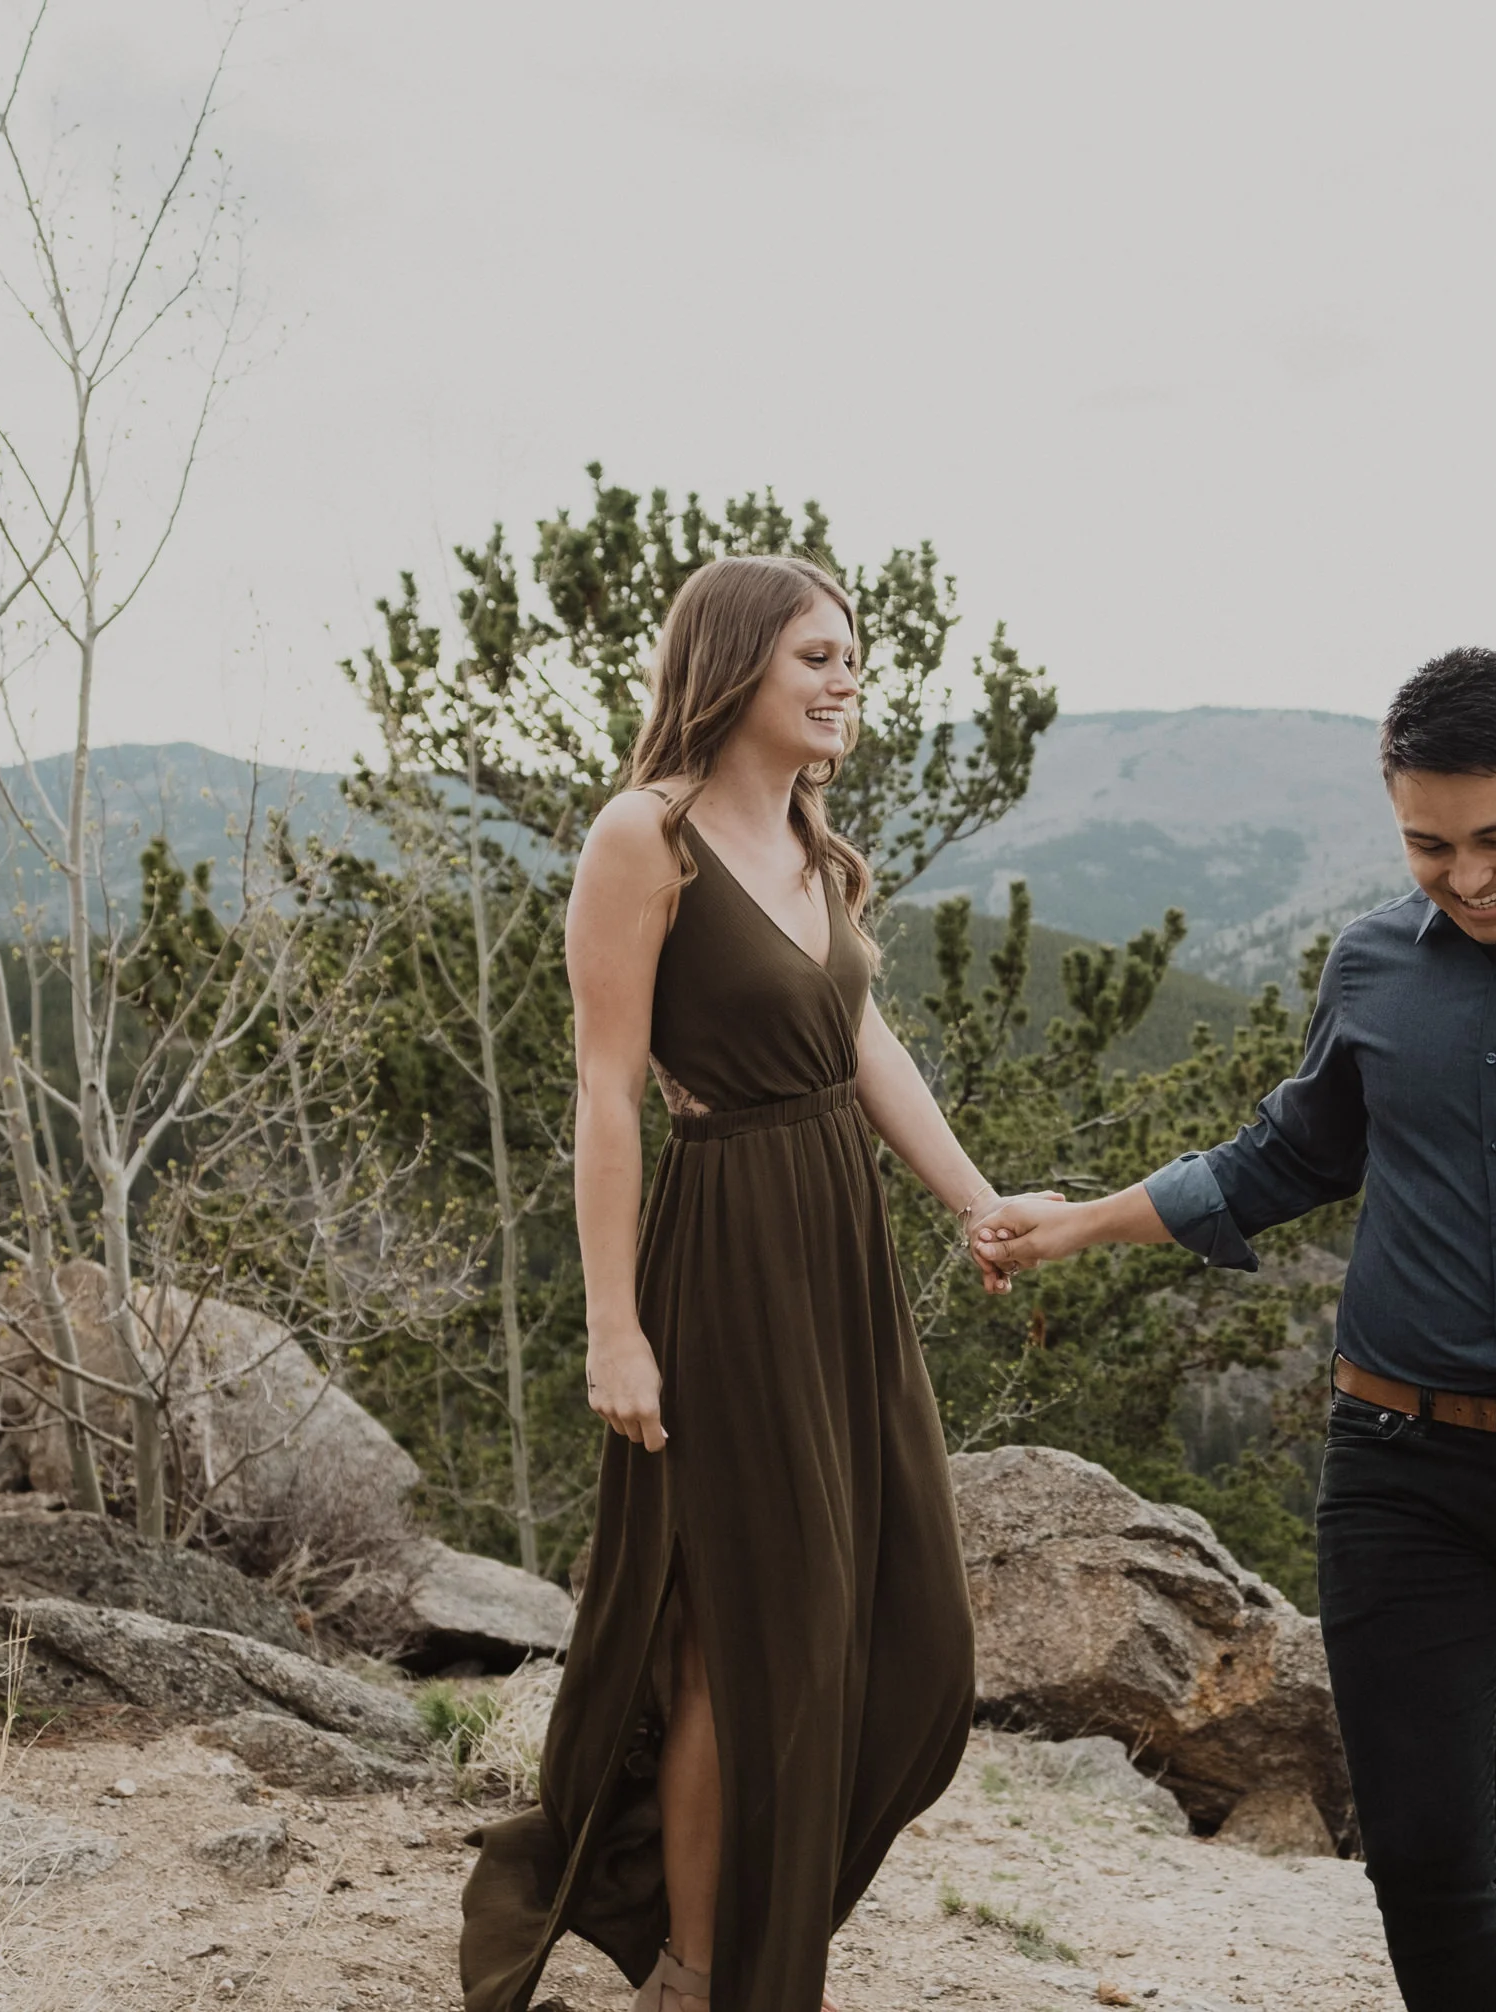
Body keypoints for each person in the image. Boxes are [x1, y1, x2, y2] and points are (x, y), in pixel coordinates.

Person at [973, 647, 1496, 2011]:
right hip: (1397, 1469)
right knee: (1428, 1856)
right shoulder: (1373, 962)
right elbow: (1282, 1157)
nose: (1472, 877)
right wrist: (1076, 1220)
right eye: (1431, 846)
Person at [460, 554, 1010, 2012]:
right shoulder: (646, 837)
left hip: (840, 1251)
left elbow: (862, 1042)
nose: (846, 684)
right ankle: (705, 1974)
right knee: (731, 1640)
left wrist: (978, 1203)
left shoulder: (812, 837)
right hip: (724, 1253)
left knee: (912, 1647)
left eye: (852, 661)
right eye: (817, 659)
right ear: (735, 666)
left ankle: (755, 1928)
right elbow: (605, 1089)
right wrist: (614, 1329)